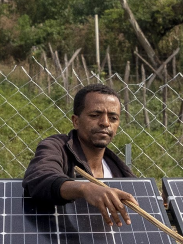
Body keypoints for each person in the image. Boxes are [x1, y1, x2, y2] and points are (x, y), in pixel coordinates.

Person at [22, 84, 137, 226]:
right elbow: (39, 177)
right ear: (76, 121)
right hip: (62, 243)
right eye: (95, 115)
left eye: (113, 118)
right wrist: (85, 188)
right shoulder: (57, 147)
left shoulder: (119, 171)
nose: (105, 123)